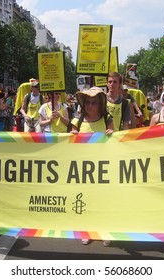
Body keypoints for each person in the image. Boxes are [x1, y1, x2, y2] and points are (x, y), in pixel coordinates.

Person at [70, 87, 113, 246]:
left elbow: (114, 140)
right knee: (86, 200)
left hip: (103, 168)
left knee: (102, 201)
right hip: (83, 168)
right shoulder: (78, 120)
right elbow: (70, 141)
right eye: (87, 102)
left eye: (94, 102)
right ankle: (87, 231)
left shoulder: (107, 119)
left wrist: (111, 133)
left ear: (100, 104)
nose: (90, 105)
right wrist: (73, 136)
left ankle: (104, 230)